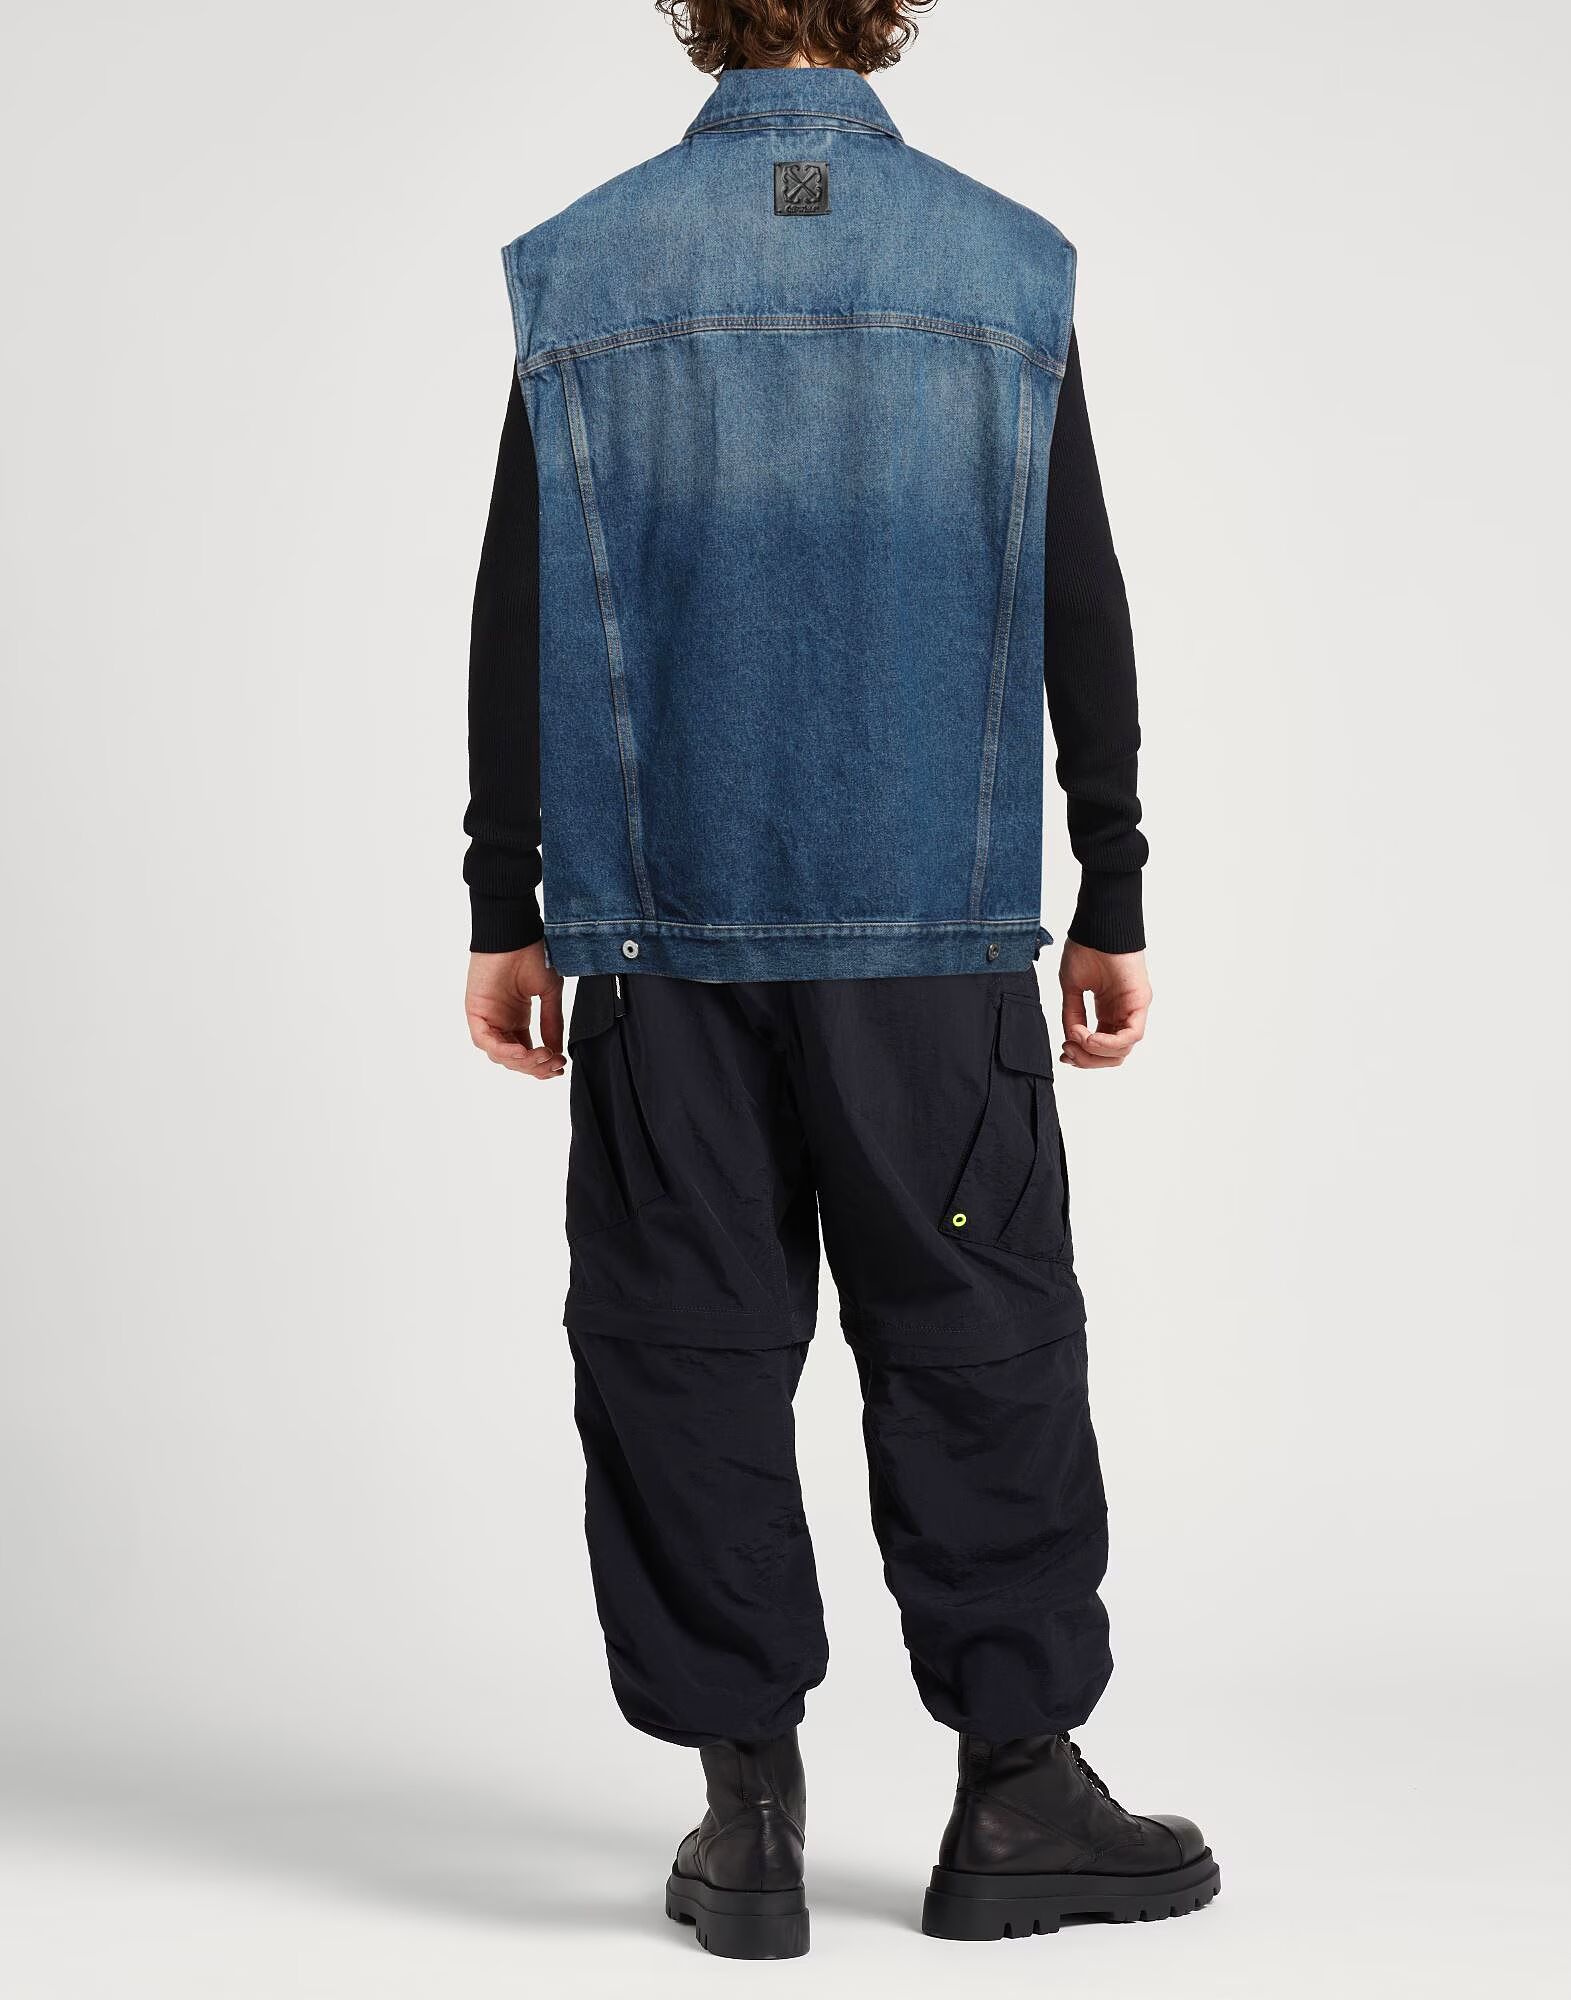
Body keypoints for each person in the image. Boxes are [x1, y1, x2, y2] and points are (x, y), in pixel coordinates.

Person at [463, 0, 1218, 1960]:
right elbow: (1077, 587)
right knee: (977, 1340)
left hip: (663, 931)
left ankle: (748, 1821)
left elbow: (522, 601)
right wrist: (1113, 881)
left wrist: (505, 900)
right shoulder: (1001, 266)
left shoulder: (587, 267)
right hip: (933, 939)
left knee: (684, 1347)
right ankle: (1018, 1794)